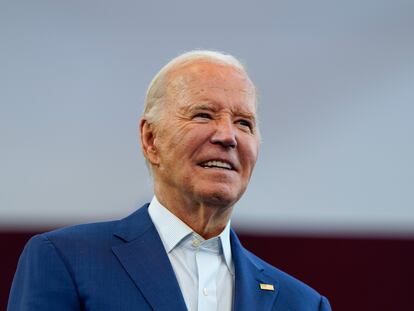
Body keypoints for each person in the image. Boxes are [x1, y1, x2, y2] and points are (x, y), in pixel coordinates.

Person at [8, 50, 331, 311]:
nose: (228, 136)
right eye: (203, 115)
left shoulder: (302, 303)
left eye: (244, 122)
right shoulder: (65, 260)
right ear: (151, 140)